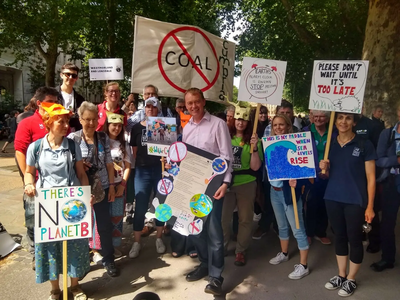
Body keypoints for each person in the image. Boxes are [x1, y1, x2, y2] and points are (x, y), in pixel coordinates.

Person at [24, 103, 90, 300]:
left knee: (74, 244)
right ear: (49, 123)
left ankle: (75, 286)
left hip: (72, 203)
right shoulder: (35, 147)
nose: (65, 125)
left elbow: (81, 173)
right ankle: (55, 289)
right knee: (50, 246)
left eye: (67, 121)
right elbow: (29, 172)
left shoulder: (72, 146)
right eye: (60, 122)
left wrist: (86, 195)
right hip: (47, 205)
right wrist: (29, 185)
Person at [182, 88, 233, 296]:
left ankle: (216, 276)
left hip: (213, 187)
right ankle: (204, 263)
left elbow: (226, 156)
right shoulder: (186, 128)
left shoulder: (218, 125)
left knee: (214, 233)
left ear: (203, 102)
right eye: (189, 103)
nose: (193, 106)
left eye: (196, 102)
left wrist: (226, 183)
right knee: (195, 229)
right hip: (192, 186)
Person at [320, 112, 376, 297]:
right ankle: (341, 275)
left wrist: (369, 206)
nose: (343, 121)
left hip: (355, 201)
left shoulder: (364, 144)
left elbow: (371, 178)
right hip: (333, 198)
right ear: (335, 121)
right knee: (340, 237)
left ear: (354, 122)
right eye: (340, 118)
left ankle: (351, 279)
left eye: (348, 118)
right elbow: (327, 176)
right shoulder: (331, 144)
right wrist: (324, 170)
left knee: (355, 239)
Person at [68, 101, 119, 277]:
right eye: (86, 119)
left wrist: (112, 186)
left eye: (93, 119)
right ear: (80, 119)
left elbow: (109, 163)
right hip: (80, 190)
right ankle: (81, 263)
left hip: (102, 187)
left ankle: (109, 259)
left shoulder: (102, 137)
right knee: (81, 226)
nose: (90, 123)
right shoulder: (73, 139)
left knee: (104, 225)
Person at [14, 86, 59, 269]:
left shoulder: (58, 121)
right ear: (39, 103)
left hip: (55, 183)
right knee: (33, 220)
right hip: (35, 183)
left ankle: (53, 251)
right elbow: (19, 152)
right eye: (51, 102)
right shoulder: (27, 123)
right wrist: (28, 179)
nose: (55, 105)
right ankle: (35, 253)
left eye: (57, 102)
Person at [267, 114, 310, 280]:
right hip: (274, 191)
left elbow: (306, 168)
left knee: (297, 228)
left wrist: (298, 181)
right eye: (275, 125)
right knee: (281, 225)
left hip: (289, 192)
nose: (278, 128)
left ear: (288, 126)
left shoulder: (297, 143)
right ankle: (284, 253)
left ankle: (304, 265)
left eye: (281, 125)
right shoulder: (269, 143)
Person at [221, 105, 262, 266]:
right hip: (227, 182)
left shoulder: (252, 139)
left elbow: (255, 167)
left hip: (246, 182)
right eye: (238, 118)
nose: (240, 122)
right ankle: (221, 247)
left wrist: (255, 148)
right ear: (233, 119)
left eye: (244, 119)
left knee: (245, 219)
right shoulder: (225, 136)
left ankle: (240, 251)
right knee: (223, 219)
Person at [129, 97, 167, 258]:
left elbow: (168, 148)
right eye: (148, 106)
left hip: (159, 169)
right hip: (142, 171)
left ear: (158, 109)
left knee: (160, 205)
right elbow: (135, 152)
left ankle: (159, 238)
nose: (150, 109)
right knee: (141, 205)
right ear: (144, 109)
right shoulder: (136, 128)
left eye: (153, 107)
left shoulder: (163, 125)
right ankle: (136, 242)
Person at [370, 105, 400, 272]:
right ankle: (387, 258)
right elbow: (379, 160)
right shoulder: (387, 134)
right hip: (391, 182)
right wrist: (396, 160)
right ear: (398, 111)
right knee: (388, 223)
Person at [302, 110, 332, 245]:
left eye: (322, 116)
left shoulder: (333, 132)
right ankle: (309, 232)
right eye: (316, 116)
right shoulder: (305, 132)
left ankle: (321, 232)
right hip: (311, 175)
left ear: (326, 118)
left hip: (328, 174)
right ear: (312, 117)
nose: (319, 119)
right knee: (310, 204)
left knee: (324, 204)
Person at [103, 112, 132, 253]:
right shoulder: (101, 142)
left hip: (119, 185)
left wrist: (122, 185)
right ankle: (102, 247)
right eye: (114, 125)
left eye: (120, 126)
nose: (117, 128)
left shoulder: (123, 144)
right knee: (103, 217)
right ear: (107, 125)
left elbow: (127, 167)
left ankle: (115, 245)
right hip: (103, 186)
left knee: (117, 217)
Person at [56, 63, 85, 132]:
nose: (70, 77)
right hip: (56, 132)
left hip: (73, 135)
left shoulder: (80, 99)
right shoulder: (53, 95)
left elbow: (81, 118)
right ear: (61, 75)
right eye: (67, 74)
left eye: (74, 76)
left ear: (76, 78)